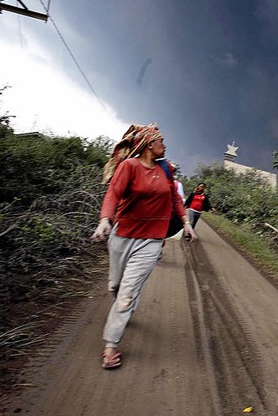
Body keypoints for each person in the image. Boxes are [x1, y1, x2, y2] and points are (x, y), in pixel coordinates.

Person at [91, 123, 197, 370]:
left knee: (127, 294)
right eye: (161, 141)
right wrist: (105, 220)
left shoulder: (166, 169)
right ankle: (124, 306)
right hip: (123, 235)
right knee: (116, 286)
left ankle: (111, 345)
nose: (165, 145)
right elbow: (113, 194)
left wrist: (186, 223)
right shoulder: (129, 167)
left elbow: (174, 199)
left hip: (151, 241)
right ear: (149, 145)